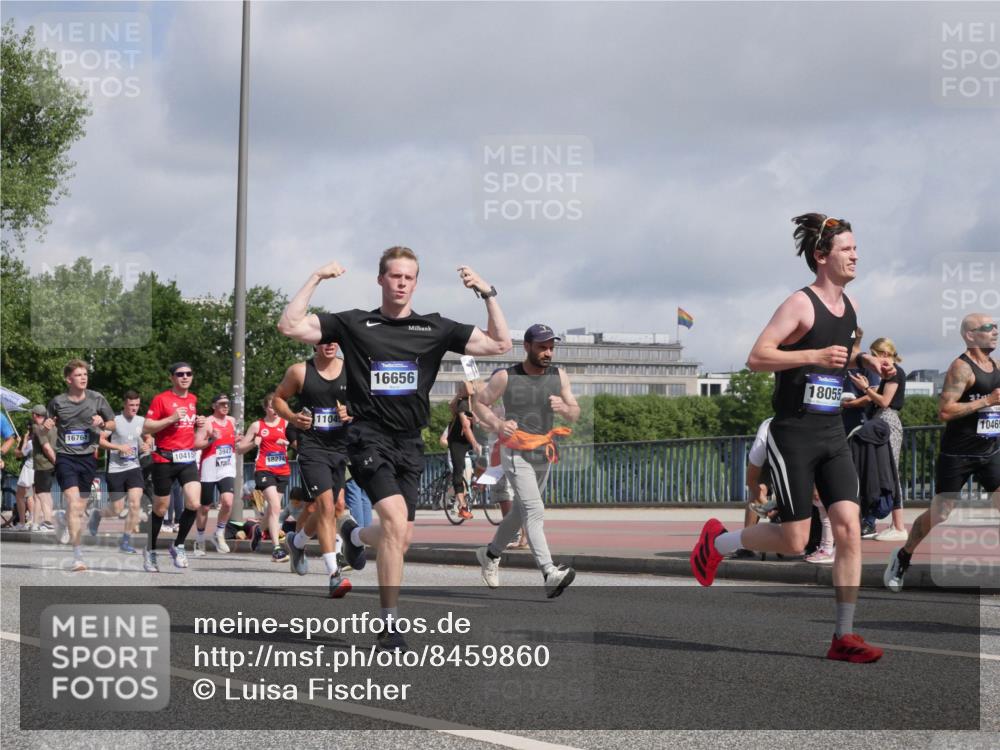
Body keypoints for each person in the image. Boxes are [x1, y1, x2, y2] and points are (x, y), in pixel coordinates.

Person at [277, 248, 510, 651]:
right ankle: (389, 626)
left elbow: (499, 343)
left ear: (416, 283)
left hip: (410, 442)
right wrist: (316, 277)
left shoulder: (434, 328)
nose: (401, 283)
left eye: (409, 277)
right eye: (395, 276)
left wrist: (488, 293)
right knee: (396, 519)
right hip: (367, 437)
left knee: (399, 538)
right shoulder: (353, 323)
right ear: (381, 280)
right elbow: (289, 325)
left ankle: (353, 536)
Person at [690, 213, 889, 663]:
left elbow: (842, 350)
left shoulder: (850, 306)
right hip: (793, 433)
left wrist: (868, 361)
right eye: (846, 249)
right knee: (796, 542)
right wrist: (812, 354)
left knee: (848, 531)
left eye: (856, 248)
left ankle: (843, 636)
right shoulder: (800, 304)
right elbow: (757, 357)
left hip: (832, 431)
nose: (855, 255)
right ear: (822, 256)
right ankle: (718, 543)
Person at [884, 313, 1000, 592]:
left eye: (996, 326)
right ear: (970, 335)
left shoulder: (996, 364)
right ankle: (903, 557)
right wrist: (986, 400)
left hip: (991, 450)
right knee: (941, 512)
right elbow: (945, 411)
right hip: (958, 454)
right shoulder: (961, 368)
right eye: (987, 328)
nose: (995, 331)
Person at [471, 323, 579, 597]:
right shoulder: (507, 377)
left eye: (551, 347)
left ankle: (490, 554)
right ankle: (549, 572)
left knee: (521, 512)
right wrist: (497, 423)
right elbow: (478, 404)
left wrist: (565, 408)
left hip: (543, 450)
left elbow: (574, 412)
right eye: (542, 347)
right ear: (527, 347)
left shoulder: (559, 376)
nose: (548, 353)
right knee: (534, 510)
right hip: (515, 451)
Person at [272, 343, 353, 595]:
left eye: (333, 340)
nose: (329, 345)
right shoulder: (300, 371)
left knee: (332, 508)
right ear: (314, 343)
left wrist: (351, 411)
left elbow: (368, 403)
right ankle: (334, 574)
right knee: (327, 506)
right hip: (312, 447)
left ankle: (296, 543)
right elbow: (277, 399)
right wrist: (293, 417)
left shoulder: (351, 370)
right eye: (323, 341)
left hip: (340, 448)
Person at [46, 359, 116, 572]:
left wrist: (102, 423)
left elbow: (113, 423)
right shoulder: (57, 402)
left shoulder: (97, 399)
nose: (83, 377)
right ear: (69, 379)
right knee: (74, 503)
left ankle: (63, 517)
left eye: (85, 374)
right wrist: (45, 425)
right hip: (65, 457)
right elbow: (46, 426)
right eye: (78, 375)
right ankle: (78, 557)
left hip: (88, 458)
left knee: (78, 508)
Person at [142, 362, 208, 572]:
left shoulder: (193, 399)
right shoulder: (161, 399)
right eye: (180, 374)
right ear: (172, 378)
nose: (185, 377)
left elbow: (189, 430)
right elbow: (146, 426)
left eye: (189, 373)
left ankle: (178, 545)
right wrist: (171, 418)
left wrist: (199, 424)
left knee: (194, 502)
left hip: (187, 458)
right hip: (164, 459)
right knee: (161, 508)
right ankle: (150, 550)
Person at [848, 337, 907, 541]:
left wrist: (866, 389)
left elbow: (884, 401)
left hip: (887, 421)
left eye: (873, 355)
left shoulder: (894, 373)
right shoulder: (890, 374)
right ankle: (894, 524)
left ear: (883, 355)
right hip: (883, 421)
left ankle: (898, 525)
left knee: (890, 471)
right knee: (888, 471)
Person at [238, 393, 296, 563]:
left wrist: (287, 444)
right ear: (265, 408)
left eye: (277, 406)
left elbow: (297, 443)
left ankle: (258, 530)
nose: (275, 410)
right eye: (271, 406)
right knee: (276, 506)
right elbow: (240, 449)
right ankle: (277, 549)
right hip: (264, 470)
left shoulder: (286, 424)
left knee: (272, 510)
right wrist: (252, 443)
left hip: (282, 471)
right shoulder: (257, 425)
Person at [93, 390, 152, 553]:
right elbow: (100, 440)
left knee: (135, 504)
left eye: (137, 405)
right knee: (117, 509)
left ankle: (125, 542)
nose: (135, 408)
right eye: (131, 405)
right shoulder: (115, 421)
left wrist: (148, 444)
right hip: (115, 469)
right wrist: (118, 447)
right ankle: (97, 514)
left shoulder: (141, 421)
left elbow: (149, 436)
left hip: (133, 467)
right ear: (124, 404)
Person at [193, 393, 239, 556]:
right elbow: (196, 444)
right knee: (205, 507)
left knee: (227, 501)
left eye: (227, 403)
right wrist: (211, 439)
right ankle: (199, 539)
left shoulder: (232, 421)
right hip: (209, 466)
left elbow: (235, 441)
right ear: (214, 406)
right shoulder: (207, 423)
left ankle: (219, 533)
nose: (226, 406)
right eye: (222, 404)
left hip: (226, 466)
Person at [446, 388, 481, 520]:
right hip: (457, 441)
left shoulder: (480, 404)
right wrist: (475, 443)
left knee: (486, 458)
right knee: (458, 468)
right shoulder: (464, 403)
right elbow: (465, 427)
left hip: (471, 438)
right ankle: (462, 506)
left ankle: (477, 481)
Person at [30, 405, 57, 532]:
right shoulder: (53, 428)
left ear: (35, 415)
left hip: (42, 465)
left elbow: (46, 447)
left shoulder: (38, 428)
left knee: (42, 494)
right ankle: (37, 523)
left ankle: (47, 522)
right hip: (49, 466)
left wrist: (55, 461)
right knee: (44, 493)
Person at [13, 431, 34, 530]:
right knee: (29, 496)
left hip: (28, 469)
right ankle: (31, 521)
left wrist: (21, 441)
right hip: (35, 469)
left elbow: (19, 453)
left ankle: (22, 522)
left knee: (20, 496)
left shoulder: (30, 443)